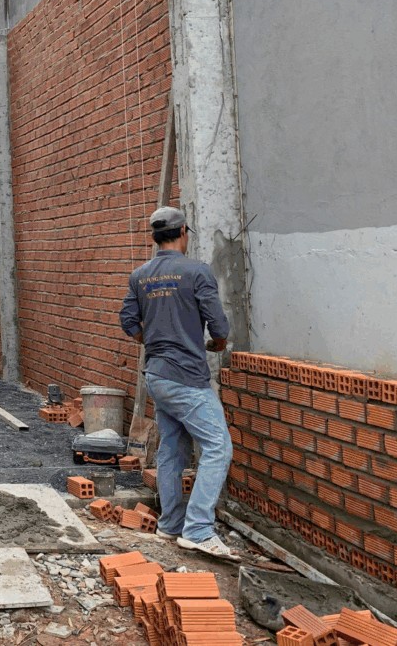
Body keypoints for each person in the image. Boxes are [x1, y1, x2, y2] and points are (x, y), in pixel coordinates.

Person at [119, 206, 238, 560]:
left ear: (156, 237)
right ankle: (198, 530)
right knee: (218, 447)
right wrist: (218, 344)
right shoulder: (197, 271)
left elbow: (128, 320)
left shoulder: (140, 275)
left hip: (157, 375)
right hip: (186, 377)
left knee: (172, 448)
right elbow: (218, 325)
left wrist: (152, 340)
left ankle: (171, 524)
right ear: (183, 232)